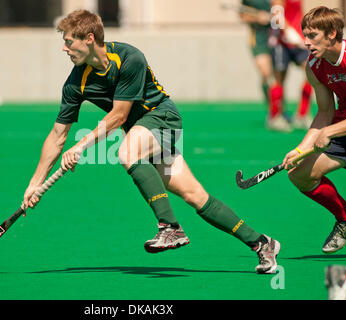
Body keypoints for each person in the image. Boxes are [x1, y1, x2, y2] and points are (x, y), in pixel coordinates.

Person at [22, 9, 280, 274]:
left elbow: (119, 115)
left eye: (68, 42)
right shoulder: (75, 83)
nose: (64, 48)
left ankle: (170, 228)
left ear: (89, 38)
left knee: (127, 152)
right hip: (141, 132)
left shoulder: (129, 58)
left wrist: (80, 145)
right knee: (195, 196)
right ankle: (262, 243)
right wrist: (34, 184)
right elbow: (57, 136)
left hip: (163, 117)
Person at [283, 6, 346, 253]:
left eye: (312, 35)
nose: (306, 41)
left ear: (332, 33)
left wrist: (330, 132)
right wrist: (301, 148)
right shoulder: (314, 65)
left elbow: (329, 127)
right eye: (305, 35)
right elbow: (325, 112)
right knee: (299, 174)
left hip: (341, 129)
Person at [268, 0, 313, 131]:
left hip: (300, 40)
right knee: (279, 79)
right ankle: (275, 116)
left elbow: (299, 13)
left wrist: (304, 33)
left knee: (310, 72)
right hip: (281, 42)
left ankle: (302, 115)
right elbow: (276, 17)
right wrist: (288, 32)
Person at [239, 0, 274, 119]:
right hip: (259, 40)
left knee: (278, 78)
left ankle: (279, 109)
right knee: (266, 73)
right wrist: (257, 18)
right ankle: (271, 108)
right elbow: (243, 15)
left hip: (277, 38)